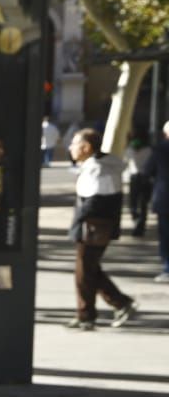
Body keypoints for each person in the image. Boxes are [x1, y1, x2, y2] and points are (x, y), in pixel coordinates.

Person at [66, 127, 137, 329]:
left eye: (74, 144)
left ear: (86, 147)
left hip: (93, 229)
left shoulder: (98, 169)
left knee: (84, 272)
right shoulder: (98, 166)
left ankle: (87, 314)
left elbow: (96, 203)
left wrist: (77, 222)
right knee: (89, 270)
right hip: (94, 228)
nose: (71, 148)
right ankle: (119, 303)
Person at [147, 121, 169, 283]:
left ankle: (167, 269)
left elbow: (148, 170)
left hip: (164, 200)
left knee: (166, 236)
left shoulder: (160, 149)